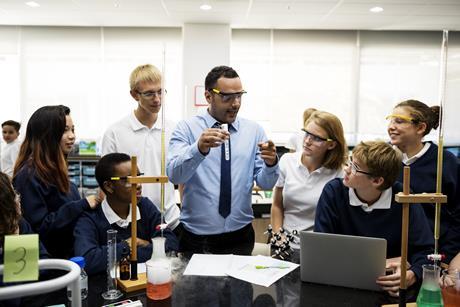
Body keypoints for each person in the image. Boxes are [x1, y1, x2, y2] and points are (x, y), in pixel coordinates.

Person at [167, 65, 279, 255]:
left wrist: (271, 164)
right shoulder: (186, 129)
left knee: (241, 286)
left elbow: (266, 183)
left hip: (241, 236)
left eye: (239, 96)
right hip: (197, 239)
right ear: (208, 96)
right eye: (227, 97)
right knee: (195, 286)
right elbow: (175, 176)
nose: (235, 103)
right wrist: (198, 148)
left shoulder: (254, 131)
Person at [314, 141, 433, 297]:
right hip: (341, 284)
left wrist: (412, 274)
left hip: (387, 288)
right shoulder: (334, 192)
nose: (346, 169)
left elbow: (426, 252)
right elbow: (321, 247)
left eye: (355, 168)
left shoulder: (404, 198)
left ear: (377, 181)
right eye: (350, 161)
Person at [101, 64, 180, 232]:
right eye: (149, 93)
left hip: (171, 222)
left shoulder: (174, 130)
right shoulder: (115, 132)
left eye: (160, 92)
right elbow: (106, 183)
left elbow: (184, 176)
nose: (157, 99)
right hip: (133, 224)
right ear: (134, 95)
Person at [12, 105, 99, 259]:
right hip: (50, 268)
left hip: (69, 261)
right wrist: (83, 204)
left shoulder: (56, 172)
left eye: (73, 129)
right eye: (65, 130)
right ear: (47, 134)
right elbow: (38, 229)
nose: (72, 136)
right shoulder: (28, 176)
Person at [73, 153, 178, 275]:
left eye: (138, 177)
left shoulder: (145, 206)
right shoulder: (89, 218)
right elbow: (88, 261)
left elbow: (171, 244)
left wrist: (117, 255)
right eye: (129, 180)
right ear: (109, 186)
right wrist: (128, 245)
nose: (138, 185)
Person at [387, 99, 460, 263]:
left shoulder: (446, 162)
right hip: (389, 254)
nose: (391, 126)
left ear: (420, 128)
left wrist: (444, 257)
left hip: (431, 255)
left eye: (399, 121)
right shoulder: (383, 158)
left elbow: (457, 216)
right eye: (390, 120)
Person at [271, 110, 346, 256]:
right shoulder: (287, 161)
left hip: (318, 248)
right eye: (307, 134)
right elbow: (277, 205)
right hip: (283, 243)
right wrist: (278, 236)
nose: (307, 141)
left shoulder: (340, 173)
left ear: (331, 145)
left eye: (317, 138)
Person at [0, 172, 49, 307]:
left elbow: (45, 262)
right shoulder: (14, 229)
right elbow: (12, 299)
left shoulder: (18, 223)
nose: (18, 197)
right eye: (13, 193)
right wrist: (15, 242)